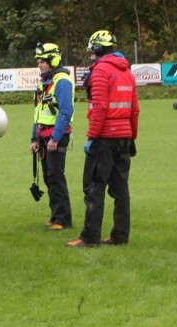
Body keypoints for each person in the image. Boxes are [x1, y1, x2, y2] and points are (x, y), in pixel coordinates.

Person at [68, 29, 139, 248]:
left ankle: (90, 237)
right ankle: (120, 236)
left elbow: (99, 107)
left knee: (93, 188)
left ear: (97, 49)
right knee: (120, 190)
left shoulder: (100, 71)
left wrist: (92, 136)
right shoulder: (126, 71)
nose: (90, 55)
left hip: (104, 138)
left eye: (92, 51)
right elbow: (135, 109)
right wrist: (132, 135)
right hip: (124, 137)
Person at [31, 41, 74, 230]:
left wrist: (55, 138)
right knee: (49, 178)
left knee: (56, 177)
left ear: (53, 60)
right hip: (43, 136)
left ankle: (63, 219)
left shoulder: (62, 82)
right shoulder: (45, 83)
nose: (39, 64)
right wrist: (34, 138)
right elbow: (38, 113)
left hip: (55, 137)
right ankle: (56, 216)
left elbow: (66, 112)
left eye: (43, 61)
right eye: (38, 61)